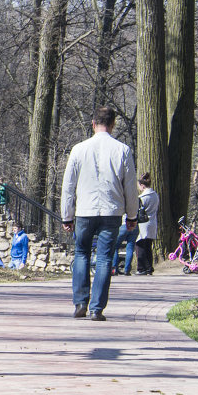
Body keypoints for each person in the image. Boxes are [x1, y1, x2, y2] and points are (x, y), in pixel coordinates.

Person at [61, 106, 139, 321]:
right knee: (105, 258)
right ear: (113, 125)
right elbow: (130, 187)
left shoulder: (78, 149)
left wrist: (67, 215)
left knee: (81, 254)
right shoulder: (122, 150)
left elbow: (68, 185)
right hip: (112, 211)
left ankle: (80, 302)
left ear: (93, 124)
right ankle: (97, 309)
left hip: (85, 211)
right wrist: (132, 216)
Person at [134, 172, 159, 275]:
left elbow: (137, 211)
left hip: (143, 224)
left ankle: (141, 268)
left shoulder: (142, 197)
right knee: (148, 246)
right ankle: (149, 267)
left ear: (142, 185)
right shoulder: (155, 195)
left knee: (140, 246)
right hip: (152, 222)